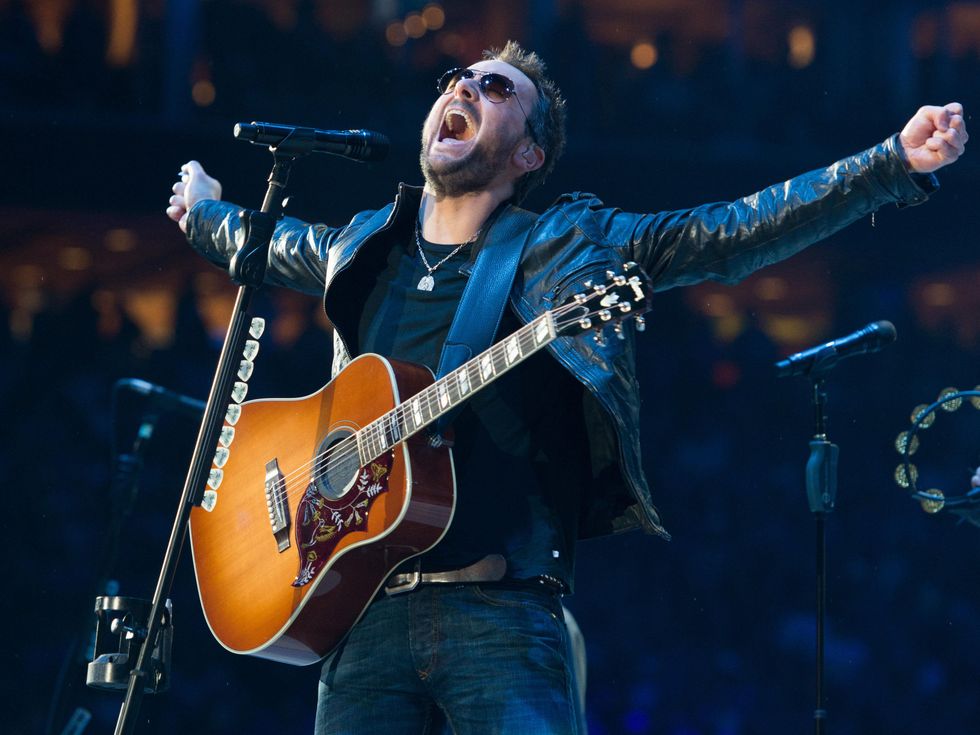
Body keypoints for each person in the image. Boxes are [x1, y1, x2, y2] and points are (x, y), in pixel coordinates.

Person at [167, 41, 966, 735]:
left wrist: (889, 164)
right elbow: (266, 242)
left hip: (500, 613)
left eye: (494, 87)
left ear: (529, 155)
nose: (462, 89)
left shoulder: (567, 246)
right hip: (361, 608)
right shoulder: (361, 247)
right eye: (455, 78)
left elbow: (727, 229)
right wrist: (204, 212)